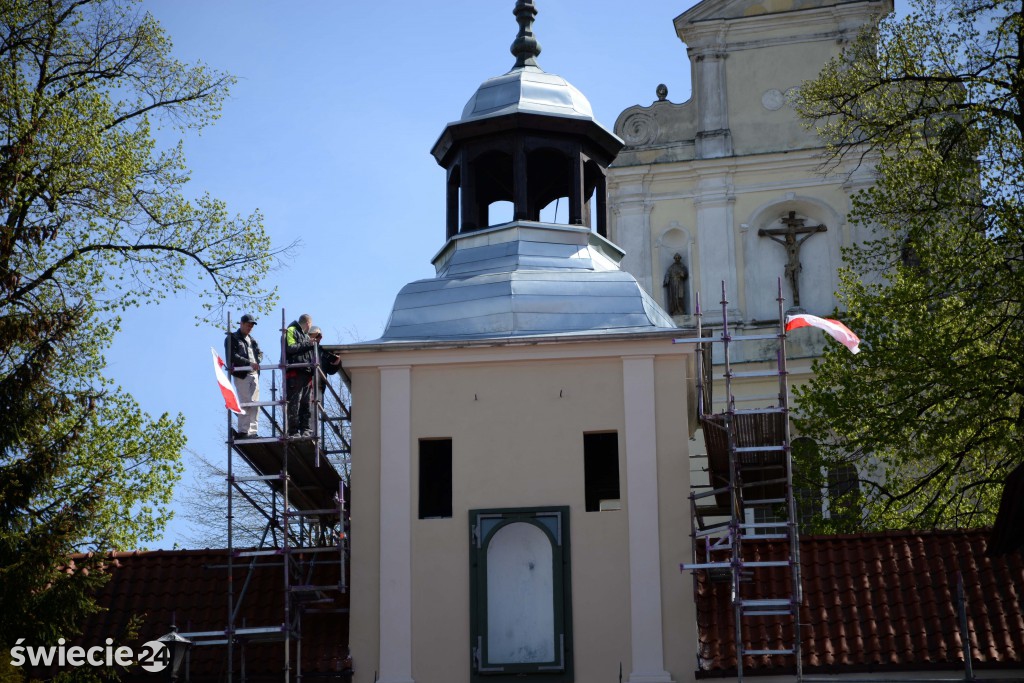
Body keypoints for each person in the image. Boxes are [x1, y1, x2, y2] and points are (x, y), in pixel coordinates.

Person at [225, 314, 262, 438]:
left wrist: (258, 360)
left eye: (251, 326)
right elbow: (232, 356)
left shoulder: (253, 340)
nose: (250, 328)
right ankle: (243, 431)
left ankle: (253, 432)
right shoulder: (233, 338)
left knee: (255, 404)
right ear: (241, 324)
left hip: (254, 374)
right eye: (248, 325)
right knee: (245, 403)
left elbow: (259, 353)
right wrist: (248, 363)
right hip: (242, 374)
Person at [285, 314, 316, 436]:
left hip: (306, 371)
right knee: (295, 402)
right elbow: (291, 348)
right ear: (308, 323)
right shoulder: (292, 330)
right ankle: (293, 431)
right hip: (296, 371)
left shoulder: (303, 335)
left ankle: (305, 429)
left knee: (306, 402)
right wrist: (308, 343)